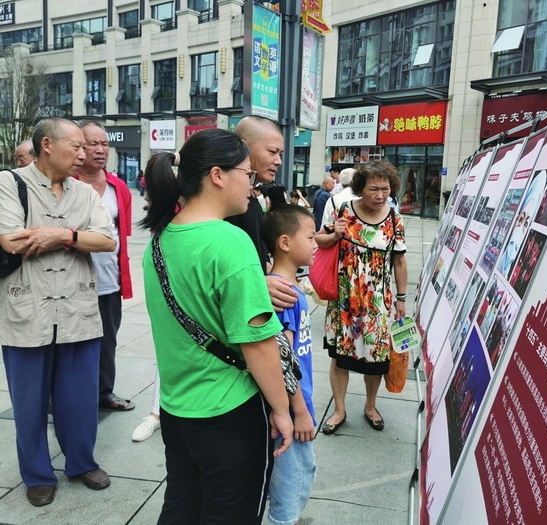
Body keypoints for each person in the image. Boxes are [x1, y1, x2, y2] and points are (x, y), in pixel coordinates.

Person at [140, 128, 294, 524]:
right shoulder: (230, 242)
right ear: (217, 175)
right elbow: (257, 343)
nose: (252, 183)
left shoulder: (159, 240)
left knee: (181, 507)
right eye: (246, 172)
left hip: (177, 410)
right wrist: (281, 409)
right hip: (229, 414)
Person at [0, 117, 116, 506]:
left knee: (80, 398)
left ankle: (81, 462)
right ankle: (36, 473)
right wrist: (78, 237)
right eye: (78, 147)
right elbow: (12, 241)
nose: (85, 155)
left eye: (87, 147)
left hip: (78, 311)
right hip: (25, 309)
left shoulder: (84, 193)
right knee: (29, 402)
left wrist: (62, 234)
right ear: (47, 144)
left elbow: (107, 240)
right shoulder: (9, 184)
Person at [316, 161, 408, 434]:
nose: (381, 195)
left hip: (377, 302)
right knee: (339, 356)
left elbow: (400, 262)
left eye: (386, 189)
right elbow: (318, 240)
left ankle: (370, 405)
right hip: (344, 299)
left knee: (376, 358)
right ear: (360, 189)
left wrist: (401, 299)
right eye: (374, 189)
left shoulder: (394, 219)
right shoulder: (341, 209)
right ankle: (339, 410)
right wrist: (335, 234)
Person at [261, 204, 317, 525]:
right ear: (284, 242)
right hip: (293, 411)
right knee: (290, 488)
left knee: (298, 477)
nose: (315, 243)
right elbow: (283, 360)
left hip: (299, 404)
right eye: (309, 236)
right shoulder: (284, 295)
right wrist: (299, 410)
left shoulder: (291, 288)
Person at [77, 120, 135, 412]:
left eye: (105, 144)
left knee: (107, 340)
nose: (100, 150)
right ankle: (66, 396)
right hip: (73, 279)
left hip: (109, 278)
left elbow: (121, 234)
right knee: (71, 343)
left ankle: (104, 393)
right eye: (92, 144)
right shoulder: (68, 182)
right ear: (78, 146)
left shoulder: (119, 187)